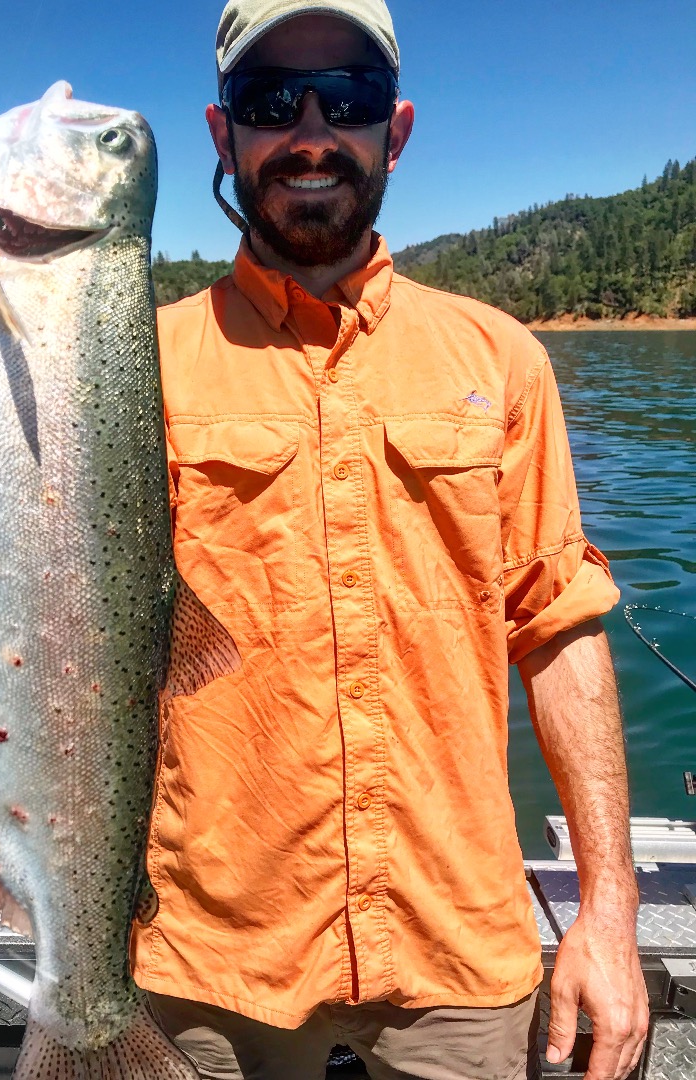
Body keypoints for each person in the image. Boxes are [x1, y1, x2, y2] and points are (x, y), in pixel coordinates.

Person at [130, 2, 650, 1077]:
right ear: (223, 135)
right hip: (208, 955)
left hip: (458, 946)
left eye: (348, 100)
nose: (311, 132)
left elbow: (559, 629)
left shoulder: (502, 360)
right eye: (272, 101)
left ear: (394, 131)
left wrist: (608, 912)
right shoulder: (135, 367)